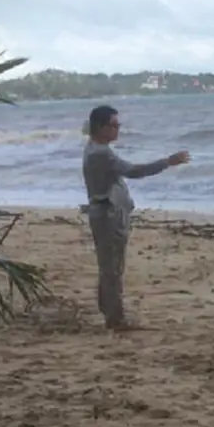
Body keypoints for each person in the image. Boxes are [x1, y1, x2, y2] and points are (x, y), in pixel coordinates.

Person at [81, 105, 189, 331]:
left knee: (109, 267)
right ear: (101, 128)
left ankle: (111, 313)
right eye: (113, 125)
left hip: (105, 212)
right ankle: (115, 318)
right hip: (108, 215)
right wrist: (167, 162)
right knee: (113, 268)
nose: (117, 129)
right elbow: (135, 171)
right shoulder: (101, 153)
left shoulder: (94, 148)